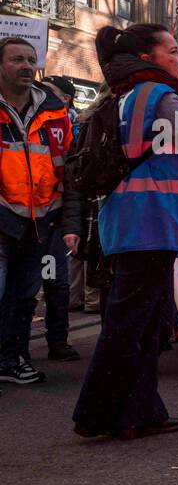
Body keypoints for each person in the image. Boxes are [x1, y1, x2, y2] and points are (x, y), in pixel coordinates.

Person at [67, 24, 178, 438]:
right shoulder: (155, 94)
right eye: (172, 50)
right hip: (150, 221)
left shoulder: (130, 93)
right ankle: (97, 413)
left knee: (141, 324)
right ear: (147, 57)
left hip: (137, 221)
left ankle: (138, 411)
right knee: (129, 324)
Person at [0, 37, 75, 386]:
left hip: (40, 223)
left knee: (24, 298)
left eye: (31, 60)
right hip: (3, 222)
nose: (27, 66)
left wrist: (65, 219)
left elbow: (70, 169)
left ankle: (14, 359)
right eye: (17, 59)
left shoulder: (55, 114)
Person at [36, 74, 80, 361]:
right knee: (19, 286)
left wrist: (70, 221)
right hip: (16, 220)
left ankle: (58, 340)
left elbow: (72, 174)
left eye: (49, 91)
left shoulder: (61, 123)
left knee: (56, 282)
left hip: (51, 218)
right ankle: (12, 351)